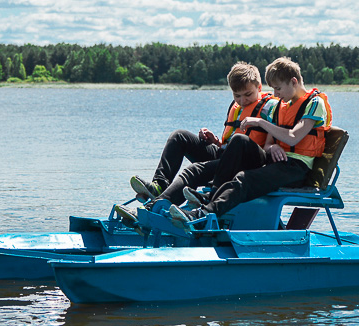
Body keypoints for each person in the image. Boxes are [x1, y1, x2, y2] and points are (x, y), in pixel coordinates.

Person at [168, 56, 331, 231]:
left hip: (296, 168)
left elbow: (293, 137)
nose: (276, 94)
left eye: (278, 88)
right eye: (273, 89)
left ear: (293, 81)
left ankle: (202, 215)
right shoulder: (281, 106)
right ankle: (212, 196)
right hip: (274, 161)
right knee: (239, 140)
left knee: (244, 179)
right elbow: (268, 145)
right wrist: (273, 146)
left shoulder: (315, 103)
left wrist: (260, 122)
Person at [115, 62, 277, 228]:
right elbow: (230, 141)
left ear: (259, 87)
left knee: (194, 170)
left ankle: (152, 209)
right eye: (237, 96)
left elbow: (269, 141)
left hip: (247, 163)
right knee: (179, 136)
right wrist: (216, 142)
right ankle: (159, 186)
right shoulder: (236, 106)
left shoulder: (271, 106)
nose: (242, 101)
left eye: (248, 95)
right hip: (225, 155)